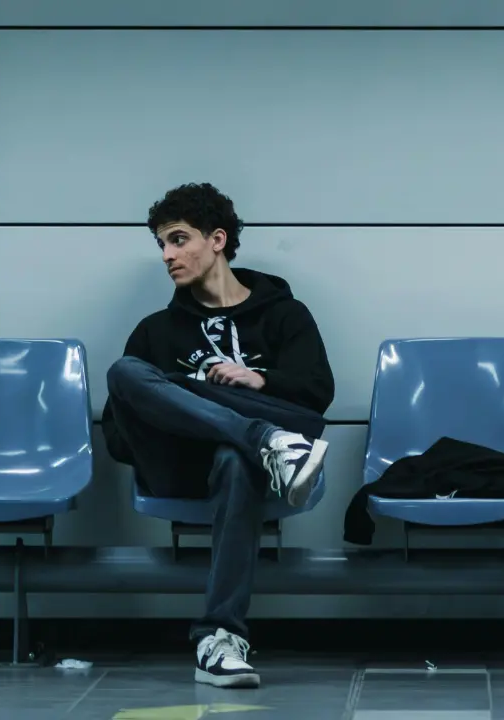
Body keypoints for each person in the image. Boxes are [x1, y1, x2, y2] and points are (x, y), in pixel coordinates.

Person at [100, 183, 335, 688]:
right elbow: (118, 432)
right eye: (162, 244)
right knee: (125, 373)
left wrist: (259, 380)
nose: (167, 255)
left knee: (233, 458)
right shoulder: (155, 331)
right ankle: (263, 438)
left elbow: (317, 396)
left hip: (255, 473)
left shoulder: (284, 315)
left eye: (178, 239)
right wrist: (184, 410)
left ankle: (221, 639)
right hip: (178, 464)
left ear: (218, 239)